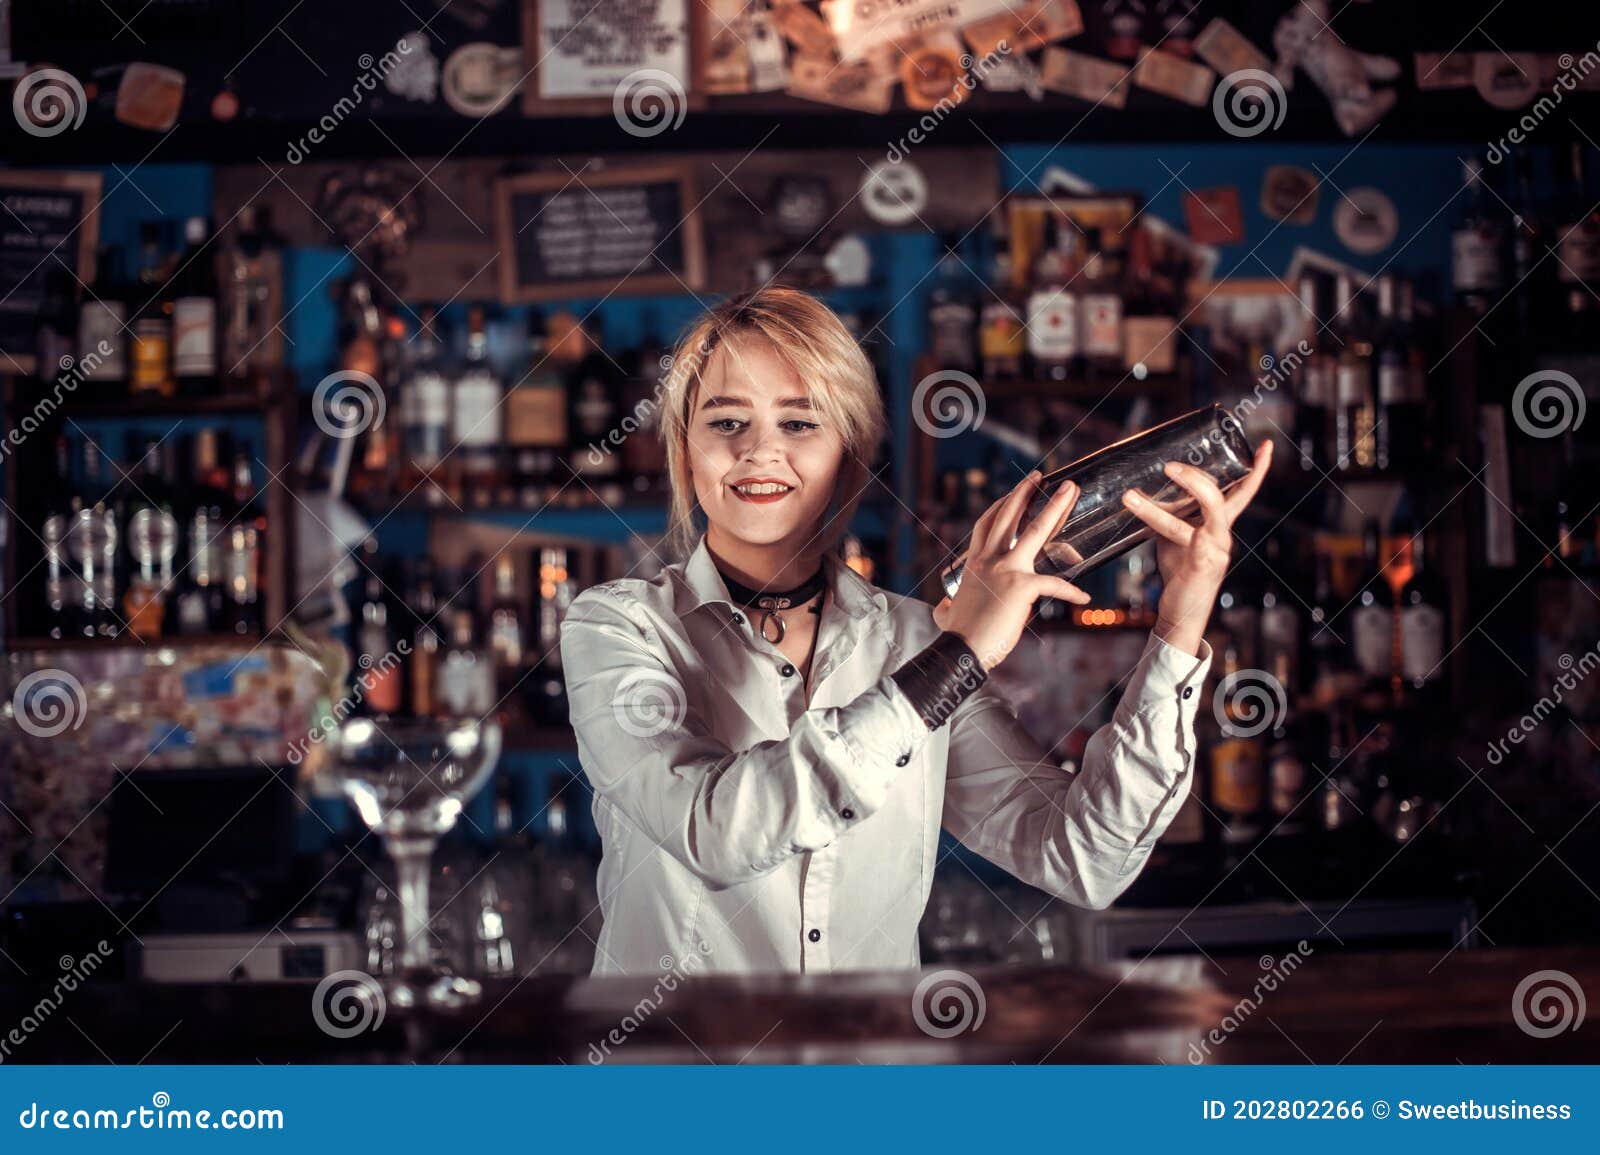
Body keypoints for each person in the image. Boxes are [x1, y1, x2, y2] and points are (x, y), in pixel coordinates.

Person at [560, 287, 1273, 975]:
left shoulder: (908, 639)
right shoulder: (619, 627)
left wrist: (1182, 613)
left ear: (849, 451)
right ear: (684, 449)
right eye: (725, 422)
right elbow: (712, 832)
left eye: (800, 422)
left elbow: (1084, 858)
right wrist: (961, 654)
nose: (759, 451)